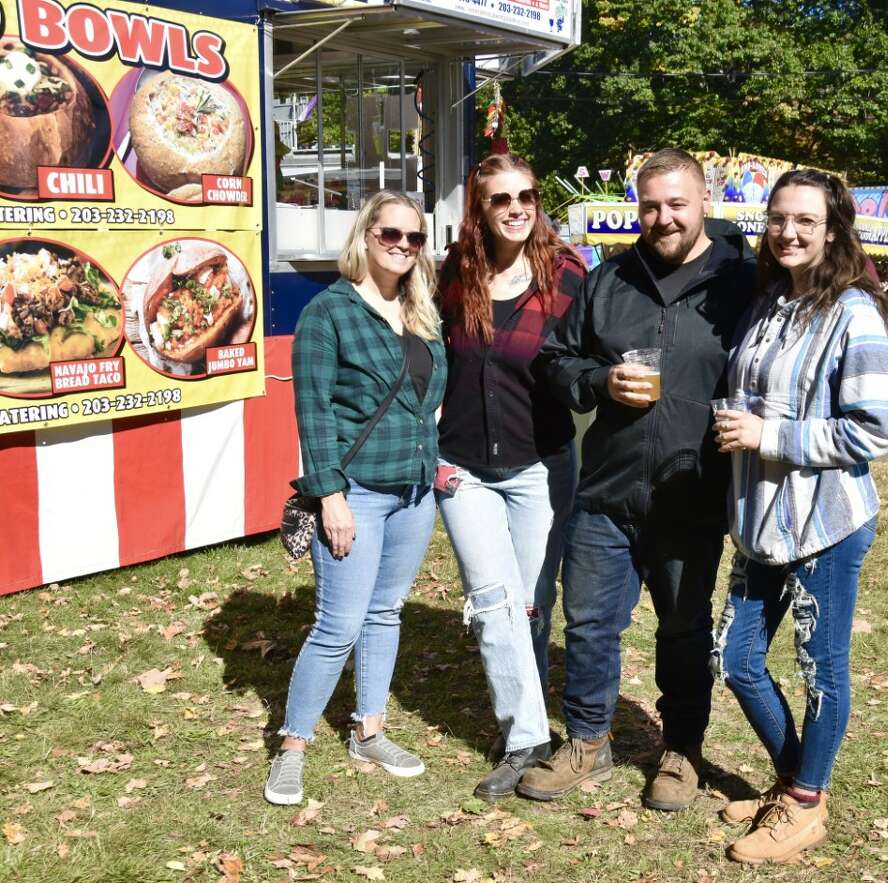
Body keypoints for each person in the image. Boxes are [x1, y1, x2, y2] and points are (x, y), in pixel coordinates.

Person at [518, 148, 756, 811]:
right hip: (608, 490)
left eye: (677, 203)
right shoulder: (610, 279)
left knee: (683, 628)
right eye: (650, 205)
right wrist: (598, 381)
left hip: (692, 491)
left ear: (703, 201)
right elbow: (555, 359)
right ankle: (589, 740)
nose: (663, 217)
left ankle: (680, 748)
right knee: (590, 623)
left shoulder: (742, 282)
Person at [709, 169, 888, 864]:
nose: (788, 231)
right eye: (779, 218)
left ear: (833, 230)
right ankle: (798, 783)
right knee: (735, 657)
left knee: (821, 668)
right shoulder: (767, 304)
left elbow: (872, 433)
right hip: (760, 519)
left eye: (805, 221)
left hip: (826, 522)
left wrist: (771, 436)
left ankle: (805, 803)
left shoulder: (855, 313)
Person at [264, 192, 446, 806]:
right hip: (358, 493)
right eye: (389, 233)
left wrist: (435, 461)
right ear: (365, 236)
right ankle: (292, 744)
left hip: (415, 492)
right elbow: (312, 414)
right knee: (337, 625)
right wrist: (329, 497)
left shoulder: (421, 311)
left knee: (386, 611)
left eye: (413, 238)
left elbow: (425, 398)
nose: (401, 245)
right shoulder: (329, 312)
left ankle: (369, 730)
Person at [436, 153, 587, 800]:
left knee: (530, 600)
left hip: (540, 464)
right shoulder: (453, 273)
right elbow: (426, 353)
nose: (517, 207)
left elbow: (592, 356)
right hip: (463, 464)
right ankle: (525, 733)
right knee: (492, 601)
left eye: (526, 194)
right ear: (480, 209)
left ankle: (528, 707)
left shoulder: (569, 275)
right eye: (501, 198)